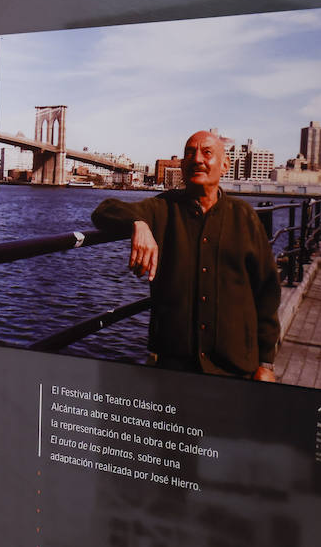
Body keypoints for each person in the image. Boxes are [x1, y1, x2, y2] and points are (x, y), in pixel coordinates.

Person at [91, 130, 281, 381]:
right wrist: (138, 222)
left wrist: (266, 364)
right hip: (175, 367)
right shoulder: (162, 209)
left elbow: (267, 292)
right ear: (182, 165)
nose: (198, 159)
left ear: (224, 165)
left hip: (235, 368)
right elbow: (104, 210)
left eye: (207, 152)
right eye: (190, 153)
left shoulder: (244, 217)